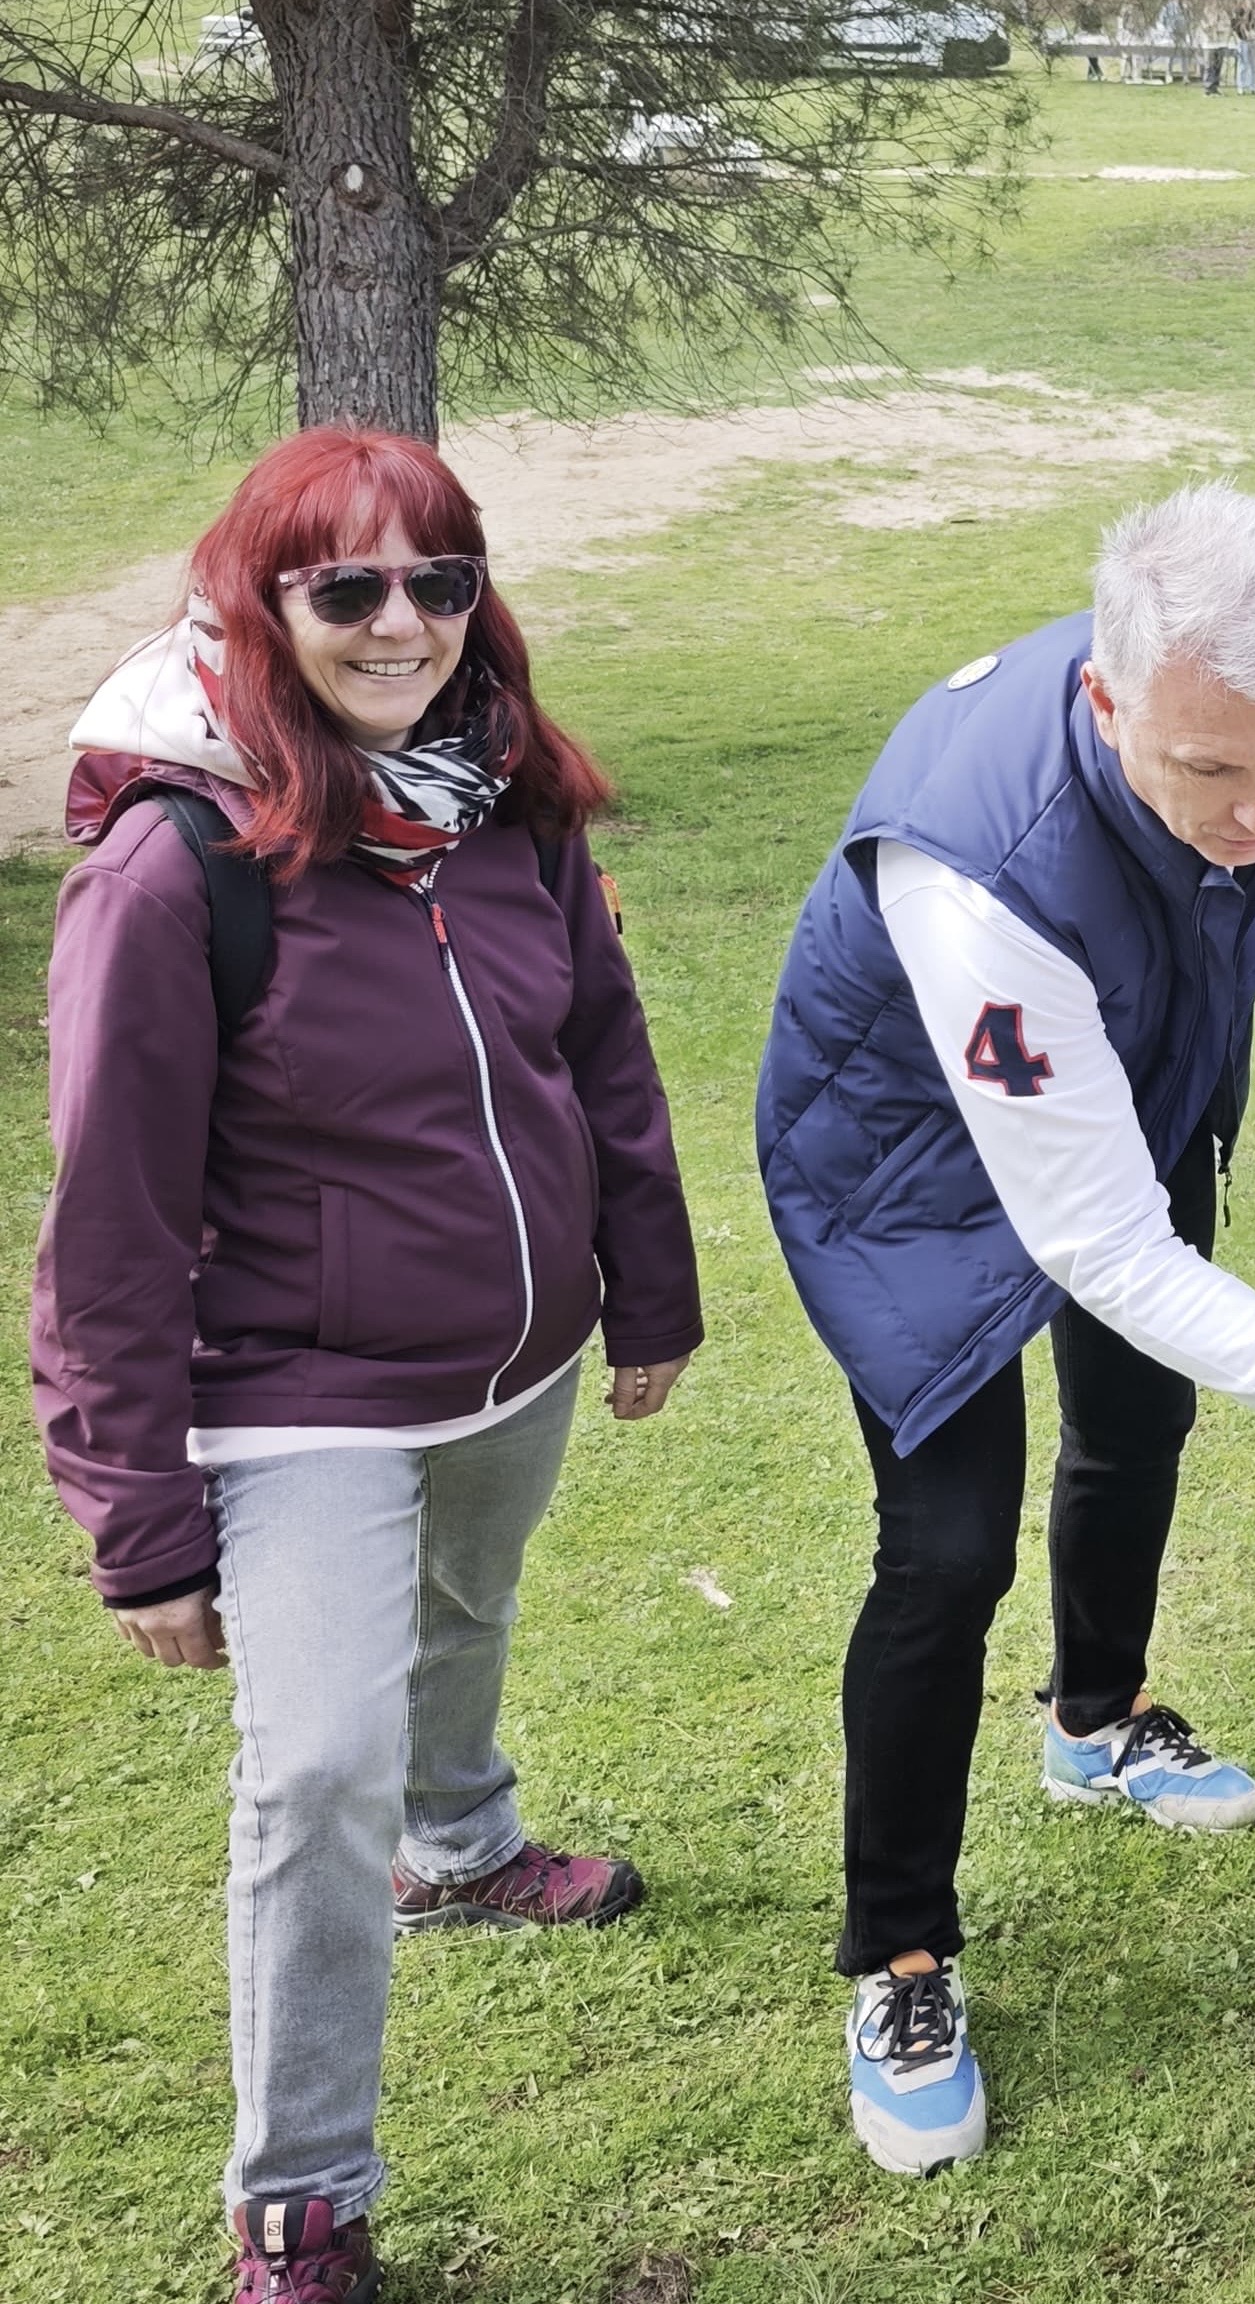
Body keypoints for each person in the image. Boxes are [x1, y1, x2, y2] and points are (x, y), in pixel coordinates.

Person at [38, 426, 703, 2303]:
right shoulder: (171, 867)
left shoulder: (511, 797)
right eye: (346, 586)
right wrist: (138, 1519)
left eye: (439, 577)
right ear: (261, 607)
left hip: (515, 1358)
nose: (401, 620)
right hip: (292, 1389)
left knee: (468, 1609)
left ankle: (468, 1844)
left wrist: (641, 1282)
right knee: (317, 1758)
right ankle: (301, 2200)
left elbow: (604, 1046)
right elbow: (104, 1220)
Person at [755, 482, 1255, 2177]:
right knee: (943, 1546)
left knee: (1135, 1421)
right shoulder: (977, 870)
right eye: (1204, 771)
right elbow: (1089, 1235)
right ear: (1105, 702)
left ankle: (1097, 1719)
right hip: (907, 1158)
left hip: (1131, 1061)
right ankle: (903, 1949)